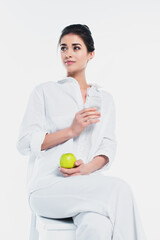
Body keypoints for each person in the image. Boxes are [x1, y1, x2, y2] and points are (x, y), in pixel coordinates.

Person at [16, 24, 147, 240]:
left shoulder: (105, 100)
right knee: (120, 189)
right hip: (49, 187)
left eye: (76, 47)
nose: (68, 53)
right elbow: (24, 142)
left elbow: (108, 145)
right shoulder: (45, 92)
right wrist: (71, 130)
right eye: (63, 48)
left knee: (98, 226)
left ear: (90, 54)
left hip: (88, 187)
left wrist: (86, 169)